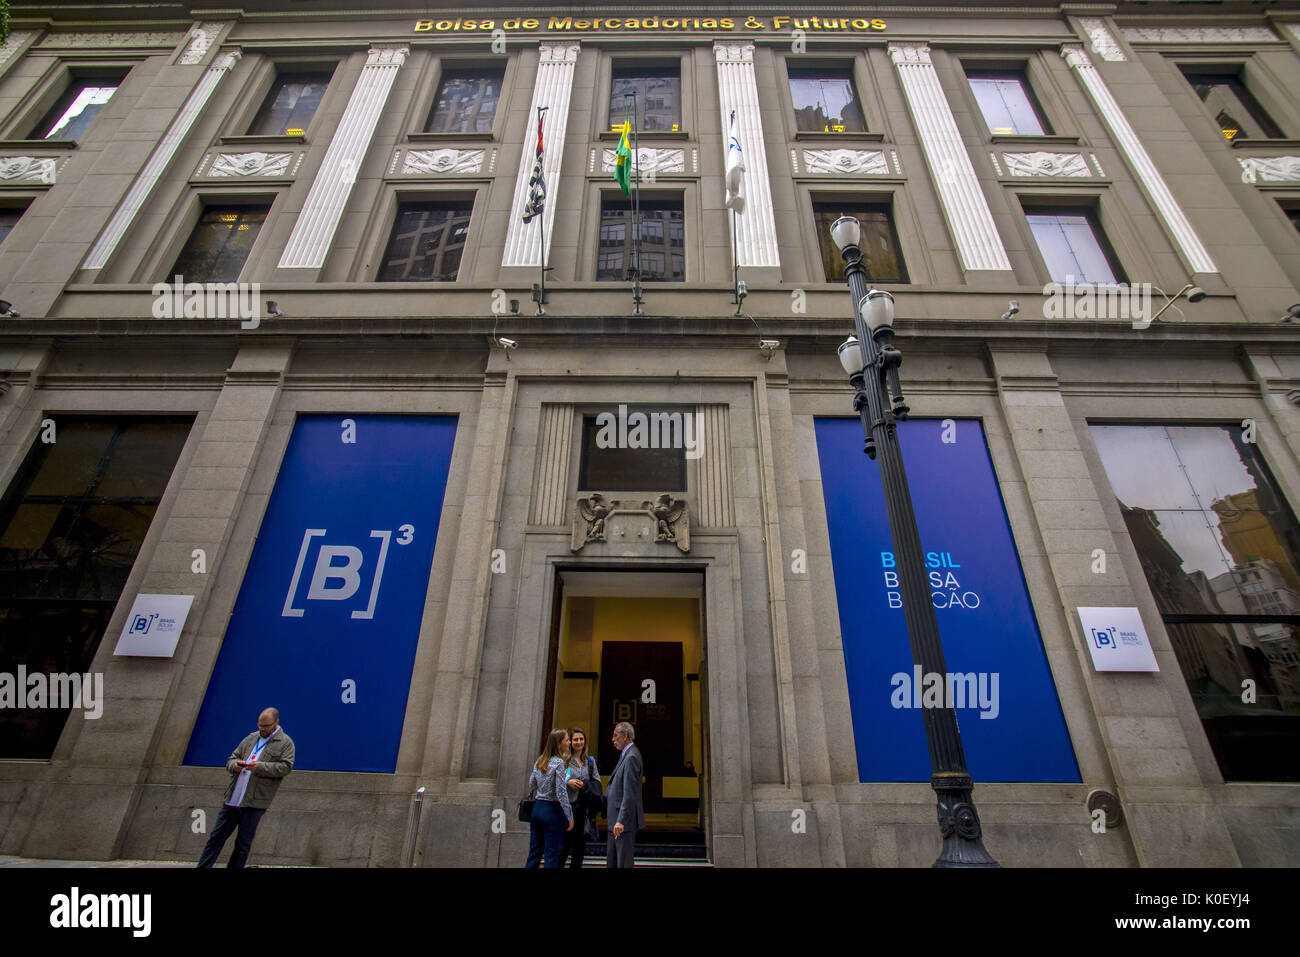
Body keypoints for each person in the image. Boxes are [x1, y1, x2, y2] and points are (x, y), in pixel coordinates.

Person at [197, 707, 294, 868]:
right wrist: (235, 765)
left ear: (276, 723)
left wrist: (259, 767)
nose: (262, 729)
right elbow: (232, 758)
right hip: (233, 799)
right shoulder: (251, 738)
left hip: (254, 803)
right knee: (215, 838)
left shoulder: (286, 743)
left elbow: (285, 767)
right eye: (260, 725)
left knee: (242, 844)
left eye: (266, 726)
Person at [524, 727, 573, 868]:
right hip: (551, 811)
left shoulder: (540, 761)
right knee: (551, 855)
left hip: (537, 809)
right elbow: (561, 792)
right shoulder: (559, 763)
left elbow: (531, 783)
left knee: (534, 853)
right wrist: (569, 815)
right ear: (559, 744)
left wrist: (542, 788)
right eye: (566, 740)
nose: (569, 742)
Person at [558, 727, 602, 869]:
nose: (579, 742)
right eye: (576, 739)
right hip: (568, 808)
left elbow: (597, 781)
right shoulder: (565, 761)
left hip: (583, 809)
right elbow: (558, 780)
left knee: (579, 846)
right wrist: (568, 782)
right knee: (563, 845)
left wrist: (586, 785)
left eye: (581, 739)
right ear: (570, 742)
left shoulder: (589, 761)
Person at [605, 721, 644, 868]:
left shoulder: (631, 757)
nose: (613, 739)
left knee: (623, 862)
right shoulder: (626, 755)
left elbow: (629, 793)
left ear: (625, 736)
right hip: (616, 822)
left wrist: (621, 820)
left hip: (622, 823)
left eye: (615, 736)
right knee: (614, 861)